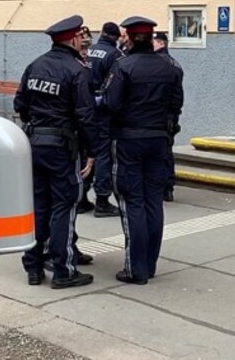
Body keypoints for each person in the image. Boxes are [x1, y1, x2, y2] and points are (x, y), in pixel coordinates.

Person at [14, 15, 98, 288]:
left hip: (35, 145)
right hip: (63, 148)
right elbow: (85, 115)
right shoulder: (77, 70)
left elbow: (20, 105)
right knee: (64, 206)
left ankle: (34, 267)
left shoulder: (35, 65)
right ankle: (64, 270)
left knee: (39, 206)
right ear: (74, 39)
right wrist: (92, 151)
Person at [104, 16, 184, 285]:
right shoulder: (171, 67)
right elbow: (176, 105)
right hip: (158, 140)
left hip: (128, 140)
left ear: (129, 36)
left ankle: (135, 268)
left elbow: (111, 104)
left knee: (131, 201)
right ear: (150, 38)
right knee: (153, 201)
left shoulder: (123, 66)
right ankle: (149, 265)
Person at [83, 22, 123, 217]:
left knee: (86, 150)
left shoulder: (89, 50)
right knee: (104, 154)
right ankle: (102, 200)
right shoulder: (115, 55)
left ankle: (81, 198)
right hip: (103, 109)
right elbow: (116, 84)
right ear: (116, 38)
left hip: (85, 107)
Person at [152, 31, 184, 202]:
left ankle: (159, 186)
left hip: (157, 116)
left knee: (158, 153)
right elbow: (178, 96)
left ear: (161, 44)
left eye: (154, 42)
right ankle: (168, 188)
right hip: (169, 116)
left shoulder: (155, 64)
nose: (151, 45)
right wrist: (175, 116)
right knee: (167, 152)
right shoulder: (175, 65)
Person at [76, 26, 97, 214]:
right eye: (82, 48)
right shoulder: (75, 68)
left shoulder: (86, 65)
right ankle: (80, 199)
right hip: (76, 127)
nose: (85, 52)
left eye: (87, 48)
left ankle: (82, 197)